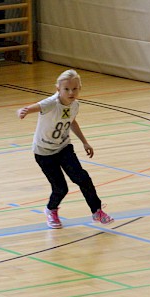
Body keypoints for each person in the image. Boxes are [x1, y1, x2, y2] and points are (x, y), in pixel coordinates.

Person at [17, 69, 114, 229]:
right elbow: (36, 107)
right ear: (58, 89)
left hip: (63, 148)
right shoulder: (51, 103)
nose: (71, 92)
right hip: (44, 153)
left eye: (75, 89)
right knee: (61, 188)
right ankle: (50, 210)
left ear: (79, 89)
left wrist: (85, 142)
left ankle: (97, 211)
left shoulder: (75, 105)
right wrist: (24, 111)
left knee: (83, 178)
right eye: (66, 89)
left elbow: (72, 122)